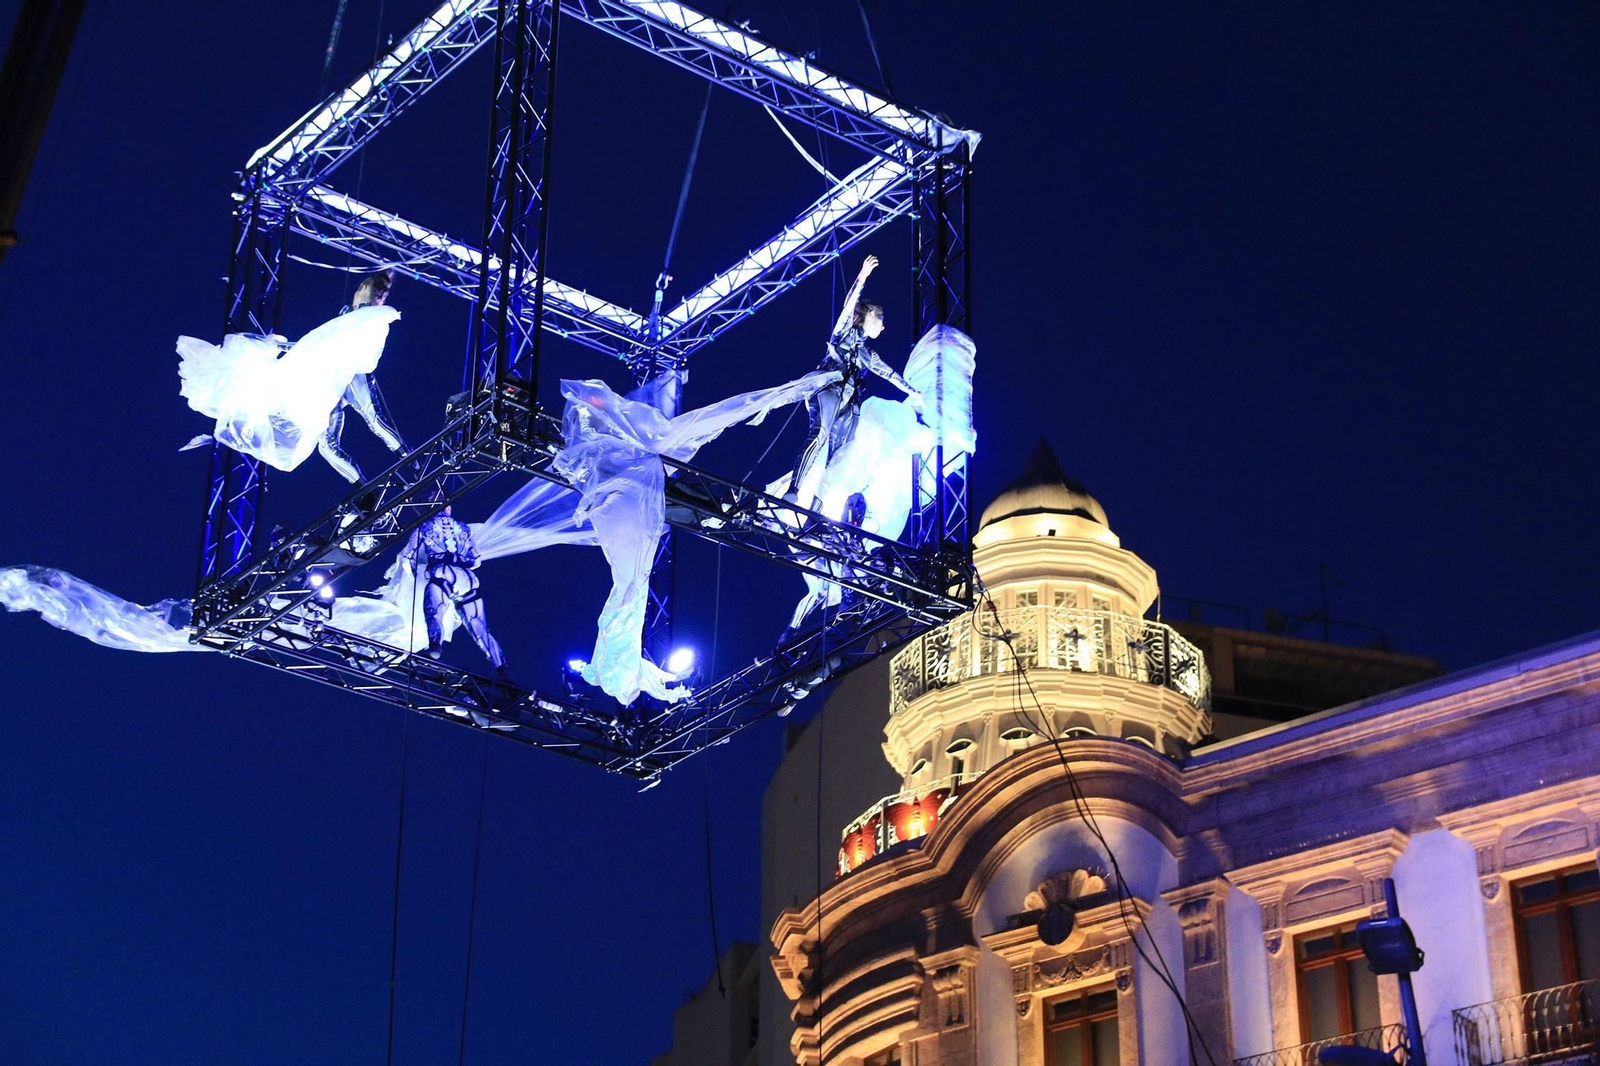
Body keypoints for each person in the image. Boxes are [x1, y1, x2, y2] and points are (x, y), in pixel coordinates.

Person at [789, 254, 923, 510]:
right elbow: (849, 306)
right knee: (819, 435)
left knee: (838, 457)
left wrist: (913, 392)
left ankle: (814, 513)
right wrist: (862, 276)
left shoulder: (866, 353)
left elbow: (888, 373)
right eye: (881, 321)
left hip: (849, 404)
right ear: (871, 314)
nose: (883, 328)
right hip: (828, 392)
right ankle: (793, 489)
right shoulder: (843, 333)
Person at [316, 269, 411, 483]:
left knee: (374, 419)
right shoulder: (346, 313)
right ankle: (362, 488)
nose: (382, 298)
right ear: (364, 288)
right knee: (325, 445)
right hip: (334, 380)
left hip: (355, 373)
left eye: (384, 296)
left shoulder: (371, 315)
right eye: (380, 293)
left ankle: (411, 460)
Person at [408, 506, 511, 682]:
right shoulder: (464, 528)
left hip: (443, 572)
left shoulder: (425, 526)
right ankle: (501, 668)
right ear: (448, 508)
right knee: (479, 626)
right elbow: (476, 559)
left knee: (435, 611)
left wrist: (414, 575)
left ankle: (435, 647)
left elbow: (409, 555)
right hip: (468, 578)